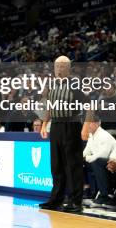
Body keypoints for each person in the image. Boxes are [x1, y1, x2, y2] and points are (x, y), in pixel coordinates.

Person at [39, 56, 91, 213]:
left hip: (72, 124)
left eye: (62, 66)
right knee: (56, 165)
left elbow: (90, 106)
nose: (59, 70)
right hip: (55, 126)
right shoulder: (52, 85)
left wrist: (86, 127)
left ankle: (76, 202)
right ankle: (56, 200)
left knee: (73, 165)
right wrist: (44, 124)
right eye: (57, 66)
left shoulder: (75, 85)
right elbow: (49, 107)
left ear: (69, 69)